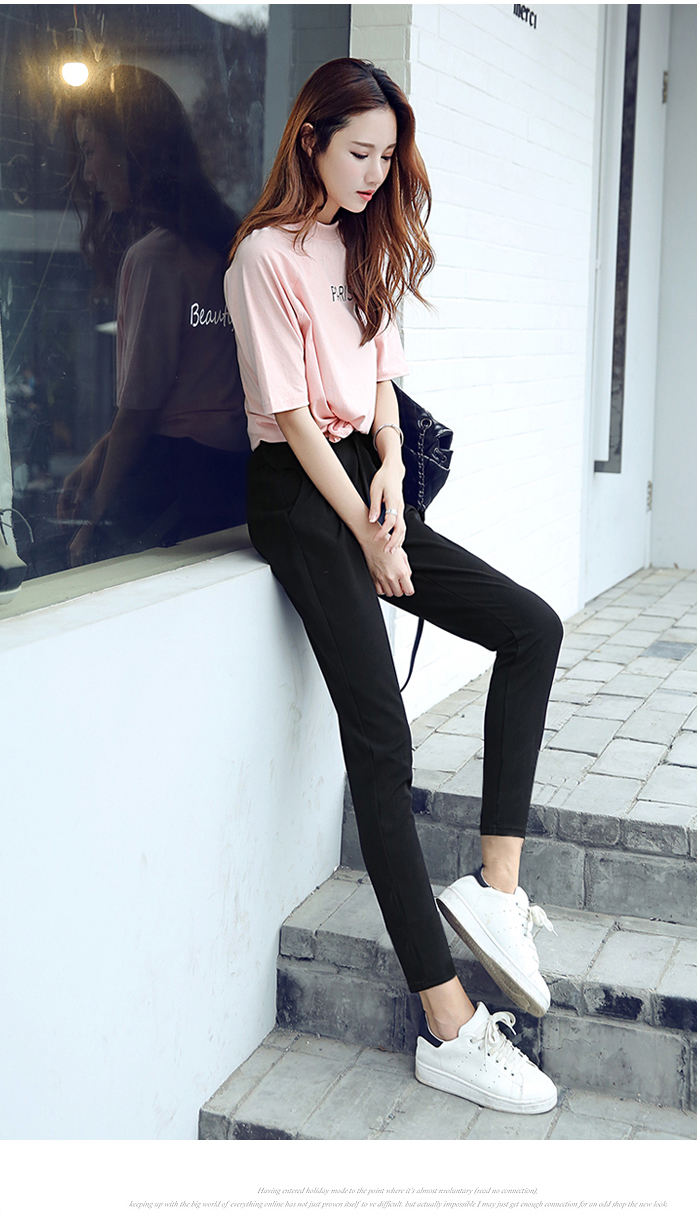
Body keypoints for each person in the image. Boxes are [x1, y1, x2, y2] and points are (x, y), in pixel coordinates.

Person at [224, 58, 564, 1116]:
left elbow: (378, 377)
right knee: (382, 739)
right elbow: (290, 419)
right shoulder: (263, 257)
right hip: (296, 492)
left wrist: (390, 471)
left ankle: (494, 890)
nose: (375, 174)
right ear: (311, 139)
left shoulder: (357, 241)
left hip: (360, 475)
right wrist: (367, 539)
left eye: (387, 156)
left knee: (530, 625)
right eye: (359, 152)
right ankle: (447, 1022)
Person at [58, 65, 249, 566]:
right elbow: (193, 392)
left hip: (174, 486)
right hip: (235, 481)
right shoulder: (228, 241)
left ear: (131, 149)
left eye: (90, 150)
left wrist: (93, 523)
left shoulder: (155, 259)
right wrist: (100, 453)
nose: (88, 174)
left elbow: (140, 410)